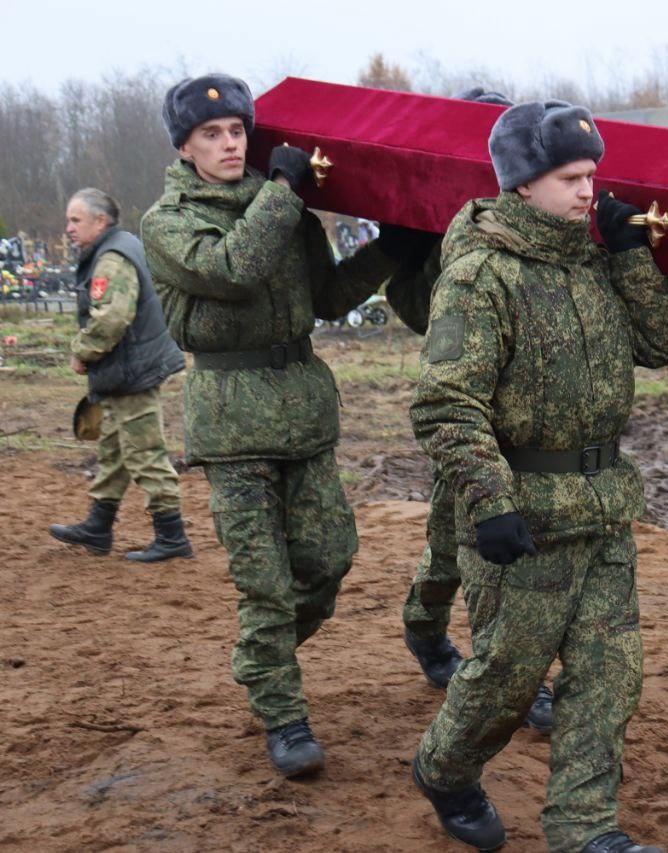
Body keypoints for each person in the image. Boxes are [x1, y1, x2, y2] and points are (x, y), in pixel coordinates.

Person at [409, 99, 668, 853]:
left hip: (601, 506)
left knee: (609, 673)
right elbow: (445, 402)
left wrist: (632, 255)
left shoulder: (594, 258)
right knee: (506, 676)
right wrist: (491, 501)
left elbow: (664, 345)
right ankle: (444, 767)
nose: (586, 190)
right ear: (523, 184)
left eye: (591, 174)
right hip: (522, 518)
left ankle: (585, 828)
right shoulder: (479, 275)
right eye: (570, 177)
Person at [140, 73, 422, 777]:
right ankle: (284, 713)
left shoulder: (284, 205)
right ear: (184, 146)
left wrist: (395, 247)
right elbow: (232, 268)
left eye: (238, 131)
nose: (229, 143)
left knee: (329, 558)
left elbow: (326, 295)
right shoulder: (168, 220)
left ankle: (258, 656)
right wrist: (285, 191)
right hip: (232, 423)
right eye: (212, 134)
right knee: (263, 583)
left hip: (301, 411)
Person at [392, 86, 554, 735]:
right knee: (450, 544)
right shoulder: (446, 222)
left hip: (529, 410)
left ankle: (521, 674)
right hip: (465, 404)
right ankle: (427, 627)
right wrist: (404, 251)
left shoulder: (534, 206)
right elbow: (416, 311)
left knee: (509, 549)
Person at [50, 187, 191, 562]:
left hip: (132, 370)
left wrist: (82, 352)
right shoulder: (123, 244)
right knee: (113, 448)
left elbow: (112, 318)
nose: (69, 228)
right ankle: (98, 525)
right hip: (130, 367)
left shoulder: (111, 259)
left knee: (145, 452)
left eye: (75, 220)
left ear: (101, 221)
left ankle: (172, 536)